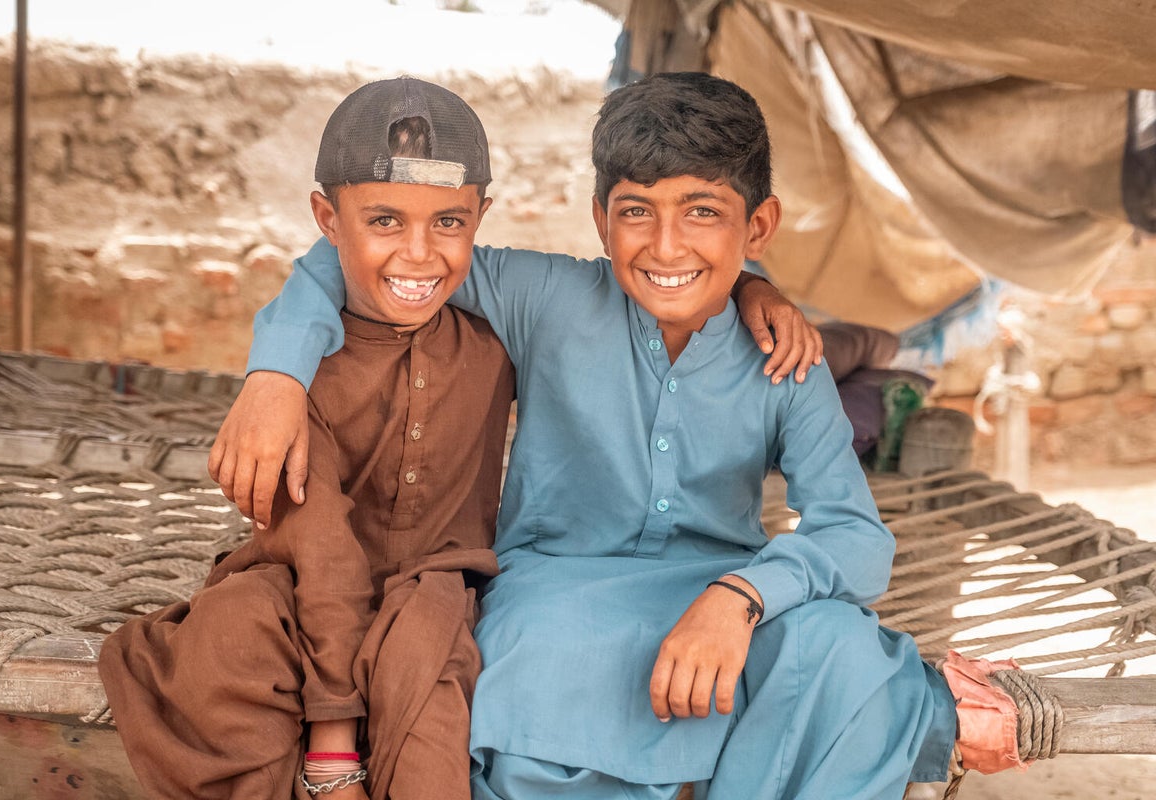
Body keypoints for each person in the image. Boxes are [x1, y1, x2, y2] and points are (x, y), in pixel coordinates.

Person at [214, 71, 1018, 799]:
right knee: (532, 676)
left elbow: (855, 537)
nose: (666, 247)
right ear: (602, 220)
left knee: (843, 648)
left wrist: (741, 597)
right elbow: (352, 252)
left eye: (703, 212)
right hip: (555, 594)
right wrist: (276, 376)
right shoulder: (547, 298)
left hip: (719, 593)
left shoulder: (784, 359)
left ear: (759, 226)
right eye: (638, 212)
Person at [100, 75, 822, 800]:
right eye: (386, 223)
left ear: (479, 217)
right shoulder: (323, 362)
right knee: (225, 647)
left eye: (449, 223)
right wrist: (274, 374)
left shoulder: (496, 329)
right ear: (326, 215)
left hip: (439, 587)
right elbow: (318, 548)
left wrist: (752, 291)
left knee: (431, 667)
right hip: (302, 583)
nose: (420, 253)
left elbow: (709, 290)